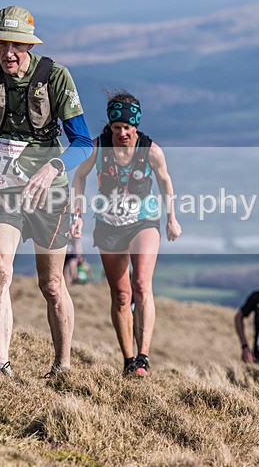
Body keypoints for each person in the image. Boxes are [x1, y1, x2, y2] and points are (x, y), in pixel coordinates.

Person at [0, 6, 93, 377]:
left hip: (51, 193)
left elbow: (83, 141)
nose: (8, 53)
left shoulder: (56, 77)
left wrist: (54, 167)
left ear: (29, 45)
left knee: (51, 283)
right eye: (2, 44)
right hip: (1, 190)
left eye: (16, 44)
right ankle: (2, 367)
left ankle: (61, 366)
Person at [70, 91, 182, 377]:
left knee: (142, 283)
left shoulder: (151, 150)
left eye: (126, 128)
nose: (121, 133)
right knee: (121, 295)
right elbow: (79, 177)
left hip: (143, 221)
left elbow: (165, 182)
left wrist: (171, 218)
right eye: (116, 127)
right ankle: (128, 359)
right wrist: (78, 215)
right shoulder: (98, 147)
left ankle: (143, 356)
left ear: (136, 126)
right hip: (108, 226)